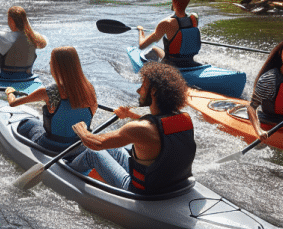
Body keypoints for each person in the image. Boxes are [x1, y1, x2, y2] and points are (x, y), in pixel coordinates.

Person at [68, 62, 195, 195]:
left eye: (143, 86)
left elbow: (95, 143)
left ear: (154, 91)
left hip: (144, 192)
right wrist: (129, 114)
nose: (138, 90)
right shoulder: (184, 119)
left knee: (92, 153)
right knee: (115, 148)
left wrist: (81, 129)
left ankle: (67, 171)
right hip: (176, 185)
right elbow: (157, 127)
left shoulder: (138, 129)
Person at [5, 46, 98, 153]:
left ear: (56, 67)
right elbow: (87, 114)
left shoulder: (49, 92)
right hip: (77, 146)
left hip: (50, 146)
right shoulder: (89, 90)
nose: (49, 63)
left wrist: (10, 92)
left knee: (26, 123)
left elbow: (13, 103)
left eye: (51, 61)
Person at [136, 0, 201, 68]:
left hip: (171, 65)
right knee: (157, 49)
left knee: (153, 49)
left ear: (173, 1)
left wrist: (140, 31)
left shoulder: (166, 23)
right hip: (190, 61)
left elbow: (142, 45)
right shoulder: (193, 19)